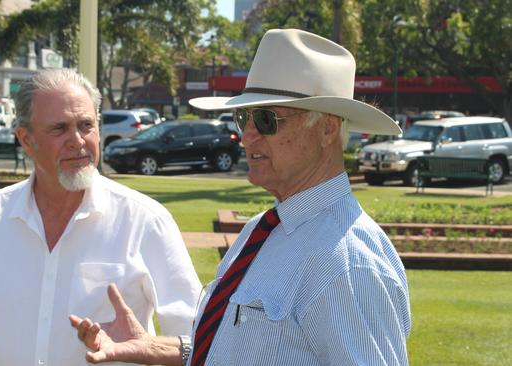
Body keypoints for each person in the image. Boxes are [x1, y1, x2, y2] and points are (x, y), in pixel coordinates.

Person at [70, 29, 411, 365]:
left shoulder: (346, 264)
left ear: (327, 128)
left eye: (266, 119)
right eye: (244, 117)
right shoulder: (263, 229)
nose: (246, 136)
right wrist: (152, 347)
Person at [0, 69, 202, 366]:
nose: (77, 141)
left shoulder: (146, 221)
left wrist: (150, 348)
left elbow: (197, 338)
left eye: (86, 125)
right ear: (26, 139)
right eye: (59, 128)